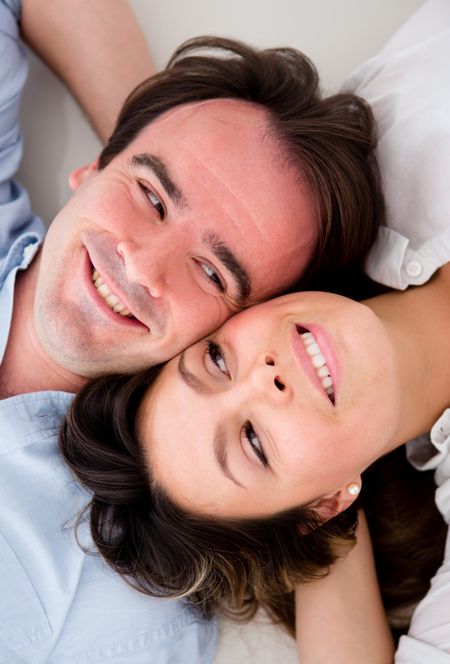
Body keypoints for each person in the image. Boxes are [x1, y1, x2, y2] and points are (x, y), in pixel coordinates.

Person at [59, 1, 450, 661]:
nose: (264, 382)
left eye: (216, 362)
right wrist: (315, 542)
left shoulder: (383, 131)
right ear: (327, 504)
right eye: (254, 443)